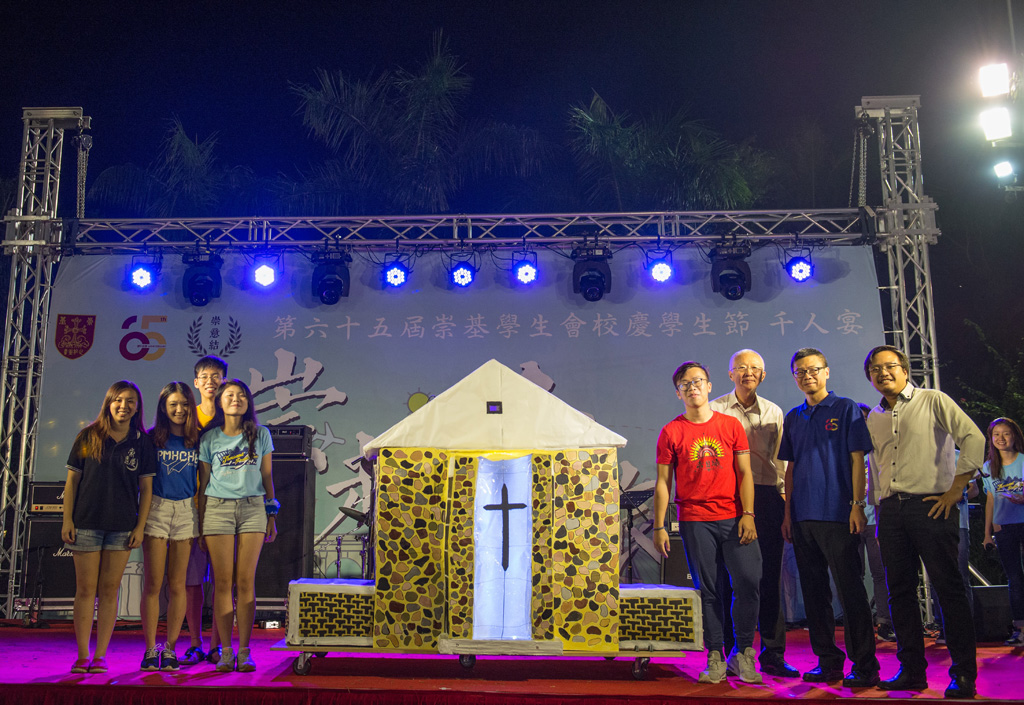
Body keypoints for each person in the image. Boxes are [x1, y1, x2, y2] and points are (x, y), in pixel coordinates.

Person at [863, 345, 984, 699]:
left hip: (931, 507)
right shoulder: (874, 417)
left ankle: (963, 675)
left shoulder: (933, 399)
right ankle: (912, 671)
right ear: (869, 377)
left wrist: (956, 489)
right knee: (899, 593)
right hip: (891, 512)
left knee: (949, 590)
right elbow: (875, 467)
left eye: (889, 366)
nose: (883, 373)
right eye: (875, 369)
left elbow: (974, 439)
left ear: (903, 369)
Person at [654, 361, 763, 684]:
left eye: (698, 381)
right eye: (686, 384)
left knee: (748, 581)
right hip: (695, 520)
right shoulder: (671, 431)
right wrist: (659, 526)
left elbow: (745, 473)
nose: (693, 387)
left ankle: (743, 652)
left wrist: (748, 513)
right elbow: (663, 483)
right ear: (678, 393)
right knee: (710, 590)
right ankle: (715, 654)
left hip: (733, 517)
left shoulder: (730, 425)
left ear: (710, 386)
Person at [779, 348, 879, 688]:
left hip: (839, 515)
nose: (807, 376)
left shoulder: (846, 408)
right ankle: (828, 661)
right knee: (815, 593)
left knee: (850, 591)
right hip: (803, 517)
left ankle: (865, 665)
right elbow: (789, 469)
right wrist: (788, 513)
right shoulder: (793, 417)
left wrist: (856, 505)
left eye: (813, 370)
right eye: (800, 372)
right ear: (795, 377)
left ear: (826, 372)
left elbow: (857, 461)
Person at [709, 349, 797, 678]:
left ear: (763, 375)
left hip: (767, 497)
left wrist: (786, 506)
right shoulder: (715, 409)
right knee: (725, 578)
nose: (748, 373)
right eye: (741, 368)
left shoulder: (774, 411)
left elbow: (782, 465)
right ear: (730, 374)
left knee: (768, 576)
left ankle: (772, 653)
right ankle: (728, 649)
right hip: (726, 498)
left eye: (755, 369)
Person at [61, 381, 157, 674]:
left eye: (130, 401)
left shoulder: (142, 442)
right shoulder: (88, 436)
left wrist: (140, 526)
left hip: (122, 528)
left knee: (109, 590)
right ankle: (82, 655)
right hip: (86, 523)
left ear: (137, 407)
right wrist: (67, 520)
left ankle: (100, 655)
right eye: (118, 400)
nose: (123, 406)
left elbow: (147, 489)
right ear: (108, 402)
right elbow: (72, 482)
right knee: (85, 590)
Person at [199, 379, 277, 672]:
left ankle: (244, 651)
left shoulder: (261, 434)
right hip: (217, 509)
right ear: (220, 401)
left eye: (242, 395)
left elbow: (268, 478)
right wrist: (199, 523)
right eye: (230, 395)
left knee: (245, 582)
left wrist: (272, 515)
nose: (236, 399)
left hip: (253, 507)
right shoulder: (209, 439)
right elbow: (203, 483)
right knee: (223, 582)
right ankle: (226, 651)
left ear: (248, 403)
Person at [140, 382, 201, 671]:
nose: (179, 409)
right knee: (153, 584)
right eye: (173, 404)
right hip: (157, 509)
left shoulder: (198, 440)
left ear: (191, 406)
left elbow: (205, 482)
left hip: (187, 510)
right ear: (163, 407)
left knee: (178, 584)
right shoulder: (151, 439)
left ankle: (171, 649)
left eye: (184, 404)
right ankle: (150, 649)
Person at [181, 355, 227, 666]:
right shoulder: (184, 417)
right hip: (189, 507)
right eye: (204, 376)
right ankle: (195, 642)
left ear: (225, 381)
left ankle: (216, 645)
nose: (210, 380)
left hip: (225, 508)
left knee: (224, 580)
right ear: (196, 382)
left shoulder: (233, 416)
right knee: (192, 580)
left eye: (217, 375)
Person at [981, 417, 1024, 646]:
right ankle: (1020, 628)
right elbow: (990, 500)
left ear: (1014, 436)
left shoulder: (1023, 461)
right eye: (996, 434)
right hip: (1004, 527)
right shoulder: (988, 467)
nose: (1001, 438)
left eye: (1005, 433)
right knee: (1014, 578)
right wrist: (988, 533)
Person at [857, 403, 894, 643]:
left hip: (875, 521)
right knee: (853, 573)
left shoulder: (878, 449)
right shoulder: (845, 451)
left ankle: (884, 622)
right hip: (850, 519)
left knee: (880, 573)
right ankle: (858, 622)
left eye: (864, 419)